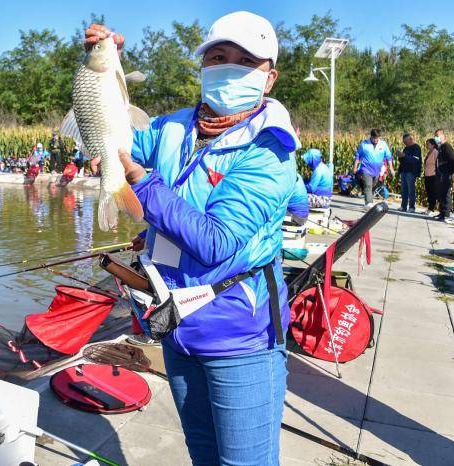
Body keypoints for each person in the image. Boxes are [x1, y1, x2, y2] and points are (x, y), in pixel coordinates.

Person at [87, 11, 298, 464]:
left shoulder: (271, 148)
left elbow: (216, 241)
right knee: (202, 453)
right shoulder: (172, 126)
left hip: (241, 336)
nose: (229, 67)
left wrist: (144, 184)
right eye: (218, 57)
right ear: (203, 68)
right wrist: (103, 71)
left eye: (246, 61)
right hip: (177, 327)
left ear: (270, 78)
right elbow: (114, 141)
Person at [353, 129, 395, 209]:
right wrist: (355, 167)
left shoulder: (383, 144)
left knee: (374, 186)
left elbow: (388, 157)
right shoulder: (364, 144)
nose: (376, 140)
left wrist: (391, 168)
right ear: (371, 136)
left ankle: (369, 201)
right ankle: (368, 203)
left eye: (378, 138)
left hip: (377, 170)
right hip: (366, 169)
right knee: (368, 185)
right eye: (374, 138)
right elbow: (358, 156)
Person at [396, 133, 422, 212]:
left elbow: (415, 160)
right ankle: (403, 206)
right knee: (404, 190)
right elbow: (403, 160)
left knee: (411, 190)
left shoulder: (416, 148)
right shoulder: (406, 148)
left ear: (410, 139)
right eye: (404, 142)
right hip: (404, 171)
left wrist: (404, 156)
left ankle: (411, 207)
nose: (405, 143)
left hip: (411, 172)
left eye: (405, 141)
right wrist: (400, 157)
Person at [434, 129, 454, 222]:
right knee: (441, 194)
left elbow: (452, 160)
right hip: (441, 174)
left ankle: (446, 214)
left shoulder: (447, 147)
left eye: (437, 136)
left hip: (446, 174)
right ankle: (442, 212)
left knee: (446, 194)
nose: (436, 138)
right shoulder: (440, 147)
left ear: (442, 136)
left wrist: (450, 173)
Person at [423, 138, 439, 215]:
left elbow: (437, 164)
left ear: (433, 145)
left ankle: (431, 209)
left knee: (432, 193)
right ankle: (430, 208)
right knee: (429, 192)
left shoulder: (435, 152)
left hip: (433, 176)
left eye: (428, 144)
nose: (427, 145)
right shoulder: (429, 152)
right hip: (427, 175)